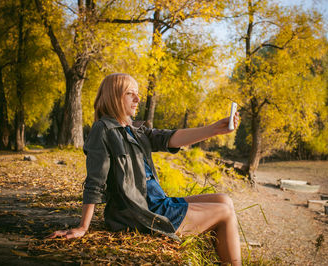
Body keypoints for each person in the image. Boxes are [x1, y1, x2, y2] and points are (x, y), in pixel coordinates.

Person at [47, 73, 242, 265]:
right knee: (224, 212)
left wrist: (216, 129)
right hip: (141, 213)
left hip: (157, 202)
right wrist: (83, 227)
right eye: (130, 93)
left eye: (137, 93)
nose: (138, 99)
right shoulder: (103, 130)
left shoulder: (135, 130)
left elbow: (170, 138)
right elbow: (95, 182)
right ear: (114, 96)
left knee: (224, 200)